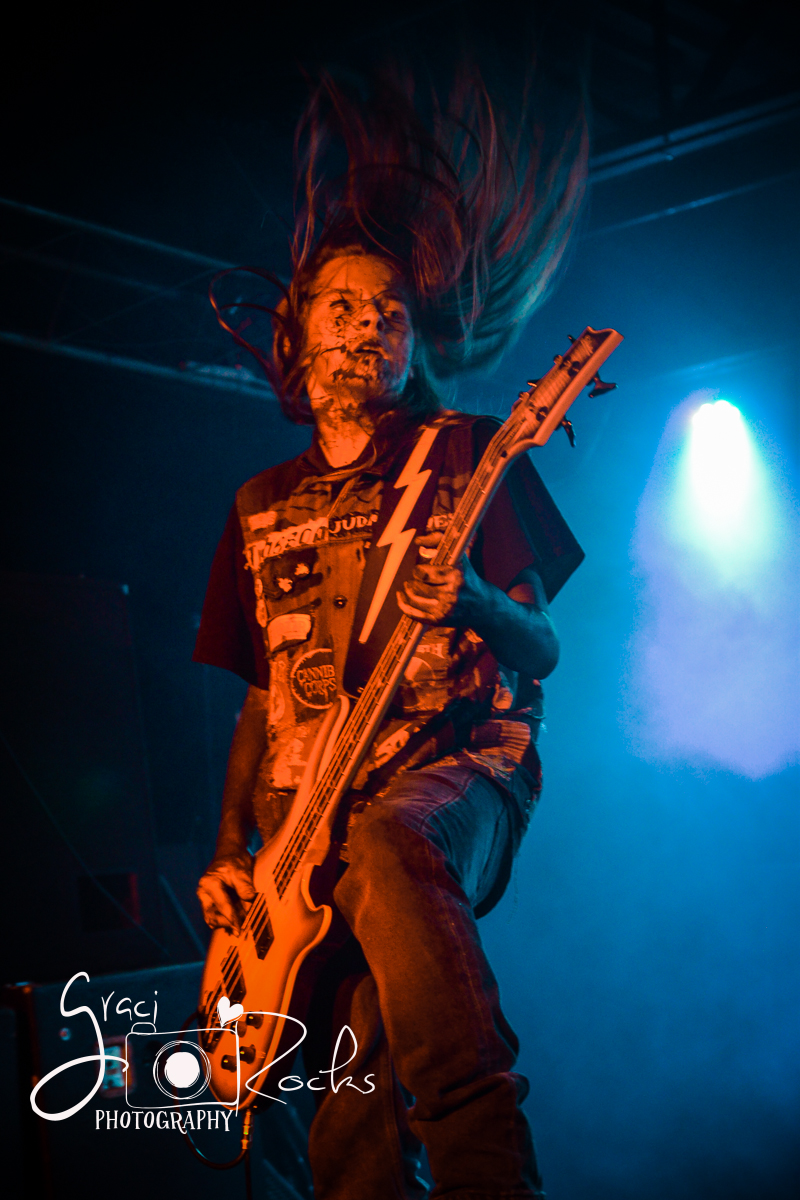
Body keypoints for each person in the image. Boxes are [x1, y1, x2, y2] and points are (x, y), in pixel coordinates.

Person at [193, 72, 587, 1199]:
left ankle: (485, 1169)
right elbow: (262, 699)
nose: (370, 325)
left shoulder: (464, 452)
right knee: (348, 1116)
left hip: (458, 771)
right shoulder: (258, 504)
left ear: (412, 344)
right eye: (344, 307)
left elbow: (543, 647)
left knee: (387, 840)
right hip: (300, 834)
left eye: (392, 313)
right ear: (296, 335)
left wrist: (472, 604)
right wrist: (232, 850)